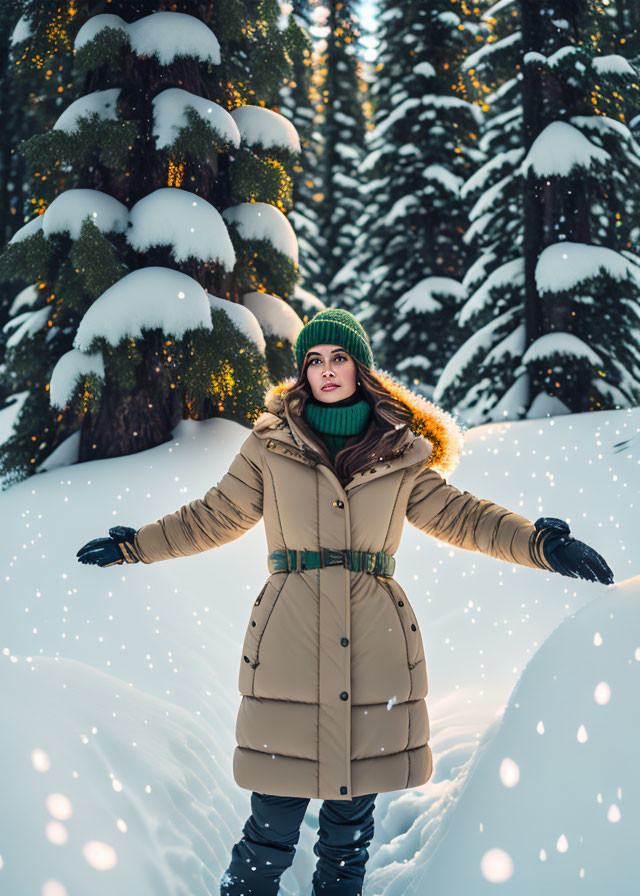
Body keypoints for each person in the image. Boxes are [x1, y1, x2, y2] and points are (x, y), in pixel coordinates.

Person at [76, 308, 614, 895]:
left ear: (361, 368)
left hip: (375, 647)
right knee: (270, 827)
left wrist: (539, 543)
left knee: (349, 832)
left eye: (339, 359)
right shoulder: (269, 444)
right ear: (302, 373)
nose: (326, 371)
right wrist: (136, 545)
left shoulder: (401, 452)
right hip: (287, 642)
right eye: (313, 361)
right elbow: (213, 516)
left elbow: (463, 516)